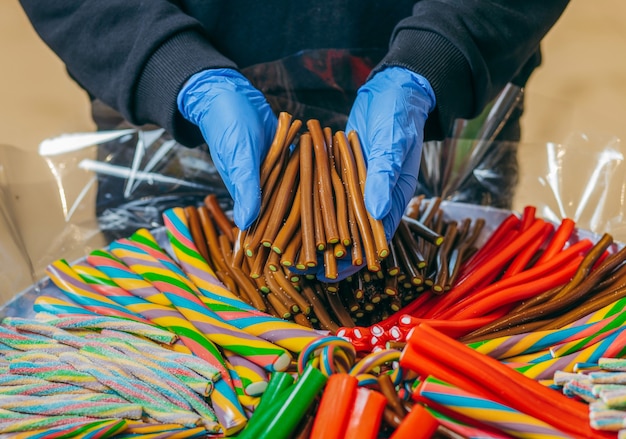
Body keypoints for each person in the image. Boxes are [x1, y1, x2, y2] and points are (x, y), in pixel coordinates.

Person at [19, 0, 569, 277]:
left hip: (444, 98)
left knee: (442, 325)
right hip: (168, 116)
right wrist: (171, 68)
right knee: (171, 351)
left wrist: (437, 57)